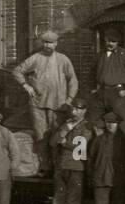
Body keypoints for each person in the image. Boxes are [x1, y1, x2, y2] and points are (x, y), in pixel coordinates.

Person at [12, 29, 78, 173]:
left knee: (57, 136)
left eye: (51, 43)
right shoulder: (35, 58)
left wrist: (69, 99)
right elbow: (17, 71)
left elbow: (73, 80)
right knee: (41, 137)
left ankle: (57, 168)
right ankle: (44, 168)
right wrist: (26, 86)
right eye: (46, 42)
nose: (48, 45)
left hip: (58, 105)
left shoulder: (63, 59)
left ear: (56, 44)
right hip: (38, 106)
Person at [49, 98, 94, 204]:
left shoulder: (87, 127)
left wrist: (64, 143)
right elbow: (52, 142)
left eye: (78, 109)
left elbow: (80, 149)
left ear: (84, 111)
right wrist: (64, 130)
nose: (74, 112)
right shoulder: (66, 125)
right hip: (61, 167)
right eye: (73, 109)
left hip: (76, 169)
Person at [91, 28, 125, 129]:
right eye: (108, 40)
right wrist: (93, 88)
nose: (110, 43)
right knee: (96, 122)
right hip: (101, 93)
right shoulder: (99, 55)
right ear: (104, 40)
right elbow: (91, 73)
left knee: (122, 122)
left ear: (117, 42)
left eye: (113, 41)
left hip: (117, 93)